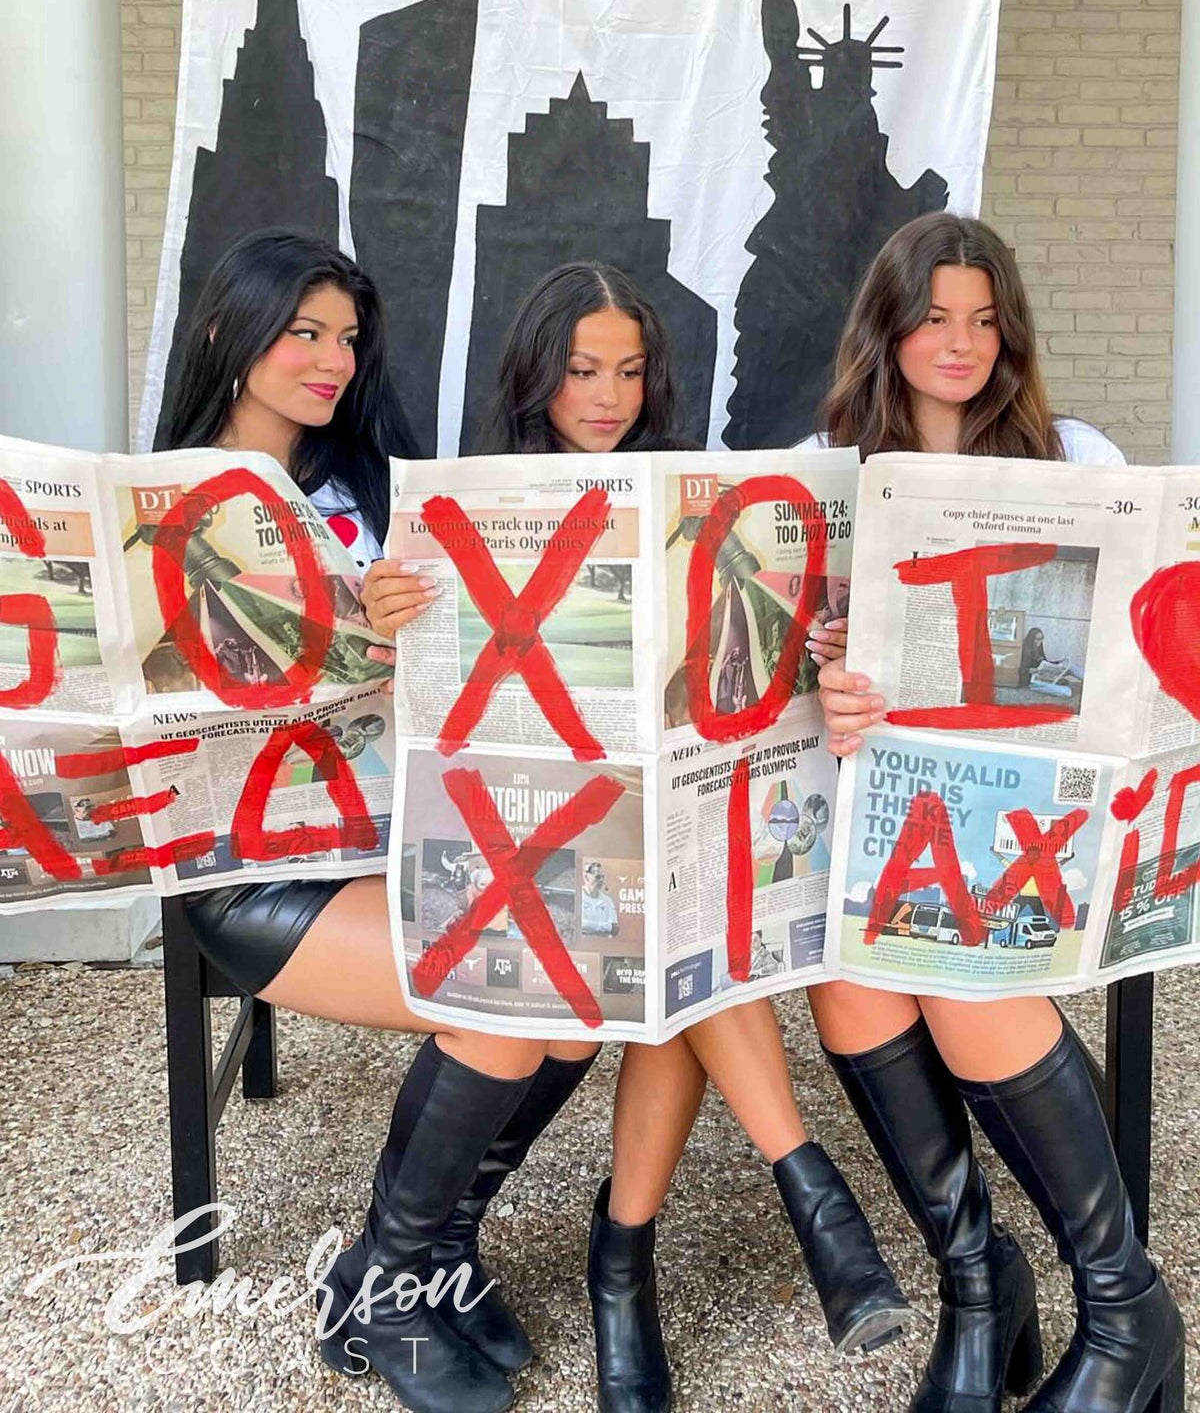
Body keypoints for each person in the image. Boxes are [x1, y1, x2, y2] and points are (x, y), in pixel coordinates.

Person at [365, 260, 910, 1413]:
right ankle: (780, 1208)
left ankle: (630, 1266)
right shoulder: (467, 501)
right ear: (536, 374)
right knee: (676, 927)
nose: (607, 397)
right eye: (581, 371)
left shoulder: (681, 497)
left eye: (628, 371)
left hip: (656, 821)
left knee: (681, 931)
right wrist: (388, 616)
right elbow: (410, 702)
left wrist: (814, 641)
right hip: (519, 833)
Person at [159, 231, 598, 1413]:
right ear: (228, 332)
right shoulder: (167, 501)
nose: (331, 359)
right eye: (303, 332)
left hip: (392, 832)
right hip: (252, 868)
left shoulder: (369, 488)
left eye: (346, 338)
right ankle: (392, 1290)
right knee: (508, 993)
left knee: (581, 996)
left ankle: (423, 1254)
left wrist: (410, 632)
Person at [803, 212, 1184, 1413]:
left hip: (1044, 822)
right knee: (849, 980)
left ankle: (1124, 1308)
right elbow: (776, 686)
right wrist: (828, 677)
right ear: (888, 330)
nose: (960, 344)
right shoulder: (823, 466)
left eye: (984, 320)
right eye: (933, 319)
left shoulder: (1077, 455)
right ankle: (980, 1286)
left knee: (953, 967)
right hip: (894, 811)